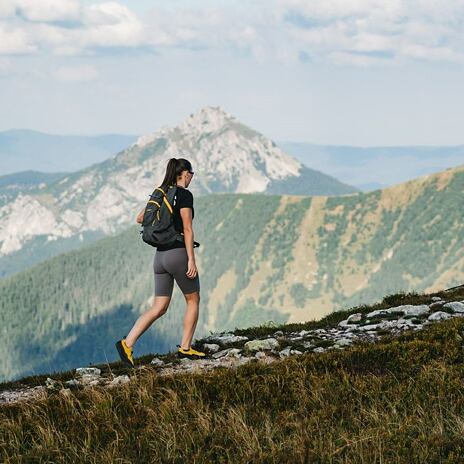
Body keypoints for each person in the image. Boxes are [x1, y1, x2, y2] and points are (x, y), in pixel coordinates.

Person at [115, 157, 205, 367]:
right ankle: (185, 348)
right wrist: (191, 259)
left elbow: (140, 218)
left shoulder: (161, 192)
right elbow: (188, 228)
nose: (192, 177)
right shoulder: (184, 195)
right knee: (193, 300)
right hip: (177, 255)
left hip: (160, 258)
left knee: (159, 306)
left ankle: (127, 344)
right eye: (191, 173)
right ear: (185, 173)